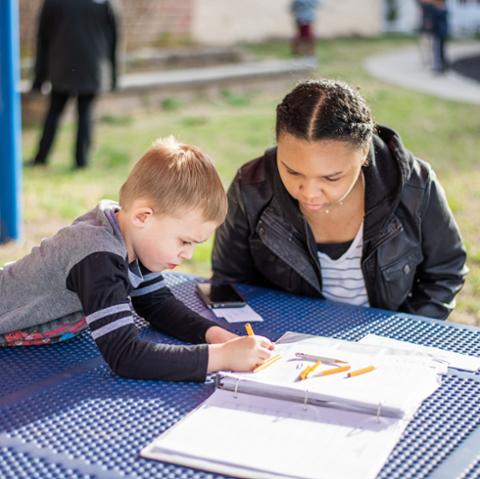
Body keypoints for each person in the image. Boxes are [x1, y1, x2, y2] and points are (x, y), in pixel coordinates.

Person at [1, 137, 273, 381]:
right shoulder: (97, 255)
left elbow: (156, 304)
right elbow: (125, 356)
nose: (188, 254)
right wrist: (222, 358)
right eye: (184, 241)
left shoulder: (131, 233)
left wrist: (221, 338)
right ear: (143, 216)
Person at [212, 80, 467, 320]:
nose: (309, 193)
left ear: (364, 152)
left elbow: (445, 272)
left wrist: (402, 339)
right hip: (286, 343)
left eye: (331, 178)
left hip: (387, 345)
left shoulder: (415, 186)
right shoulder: (251, 187)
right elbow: (230, 281)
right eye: (292, 171)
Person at [30, 0, 119, 168]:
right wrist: (113, 75)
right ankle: (81, 161)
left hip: (61, 67)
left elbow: (43, 38)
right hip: (91, 67)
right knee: (85, 114)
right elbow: (114, 37)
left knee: (54, 113)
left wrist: (39, 79)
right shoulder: (104, 2)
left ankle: (41, 157)